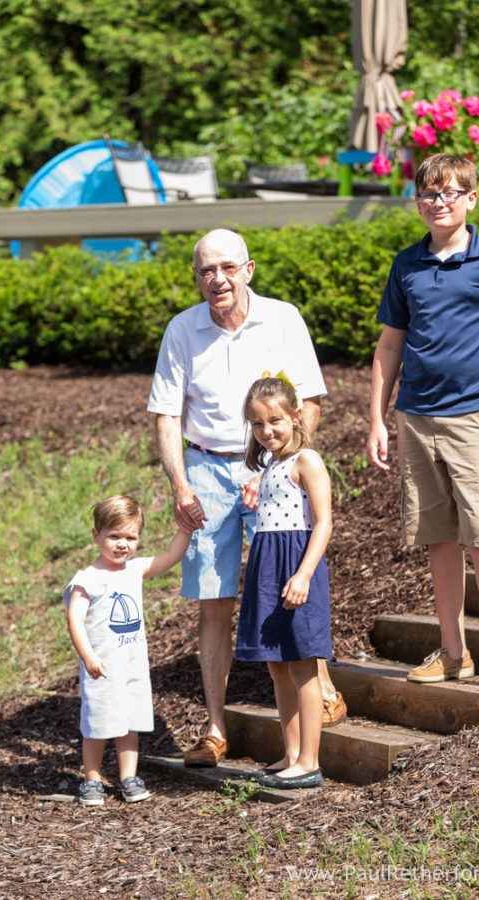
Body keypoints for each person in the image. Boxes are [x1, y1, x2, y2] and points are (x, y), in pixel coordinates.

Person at [147, 228, 346, 769]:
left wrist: (275, 465)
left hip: (273, 470)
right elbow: (167, 415)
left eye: (228, 268)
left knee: (288, 585)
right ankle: (215, 729)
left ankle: (323, 691)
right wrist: (180, 485)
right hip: (206, 468)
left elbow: (308, 402)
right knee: (214, 603)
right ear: (197, 277)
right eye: (207, 271)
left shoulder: (283, 318)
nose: (219, 279)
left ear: (249, 269)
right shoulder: (182, 330)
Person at [367, 152, 479, 692]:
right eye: (427, 194)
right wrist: (376, 418)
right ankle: (453, 650)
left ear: (470, 198)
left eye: (448, 193)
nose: (437, 203)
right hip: (415, 418)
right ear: (417, 202)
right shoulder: (407, 265)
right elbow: (389, 344)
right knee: (439, 538)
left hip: (474, 418)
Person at [235, 377, 333, 789]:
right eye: (257, 425)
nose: (267, 431)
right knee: (278, 666)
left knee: (304, 667)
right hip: (267, 565)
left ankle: (309, 761)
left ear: (296, 416)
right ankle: (291, 754)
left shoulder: (306, 460)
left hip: (296, 566)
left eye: (275, 420)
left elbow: (324, 522)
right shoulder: (270, 466)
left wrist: (304, 574)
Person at [64, 494, 191, 806]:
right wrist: (88, 657)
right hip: (102, 667)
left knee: (130, 723)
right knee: (97, 724)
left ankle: (128, 777)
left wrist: (187, 528)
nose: (123, 544)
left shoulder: (134, 570)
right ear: (97, 535)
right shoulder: (87, 580)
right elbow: (74, 620)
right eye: (114, 536)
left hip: (132, 665)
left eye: (131, 537)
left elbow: (171, 556)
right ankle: (92, 779)